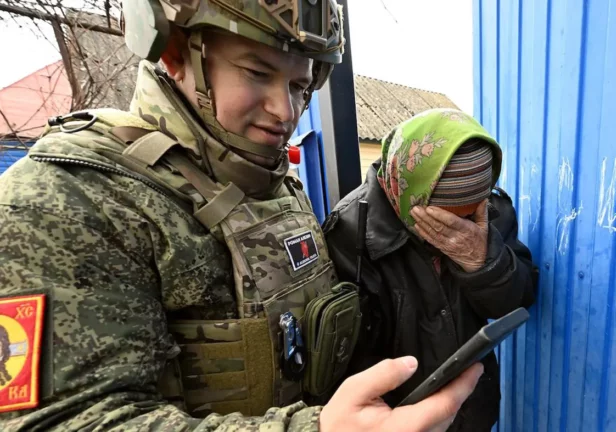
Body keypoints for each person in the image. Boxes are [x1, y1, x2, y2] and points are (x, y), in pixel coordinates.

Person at [0, 1, 483, 430]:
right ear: (174, 53)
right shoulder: (68, 197)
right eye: (256, 72)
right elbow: (64, 419)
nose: (285, 110)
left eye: (300, 84)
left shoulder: (272, 182)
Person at [323, 108, 539, 431]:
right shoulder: (352, 233)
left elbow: (520, 295)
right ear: (412, 194)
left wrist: (484, 260)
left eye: (472, 214)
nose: (462, 228)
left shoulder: (490, 211)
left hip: (472, 412)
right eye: (445, 217)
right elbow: (341, 365)